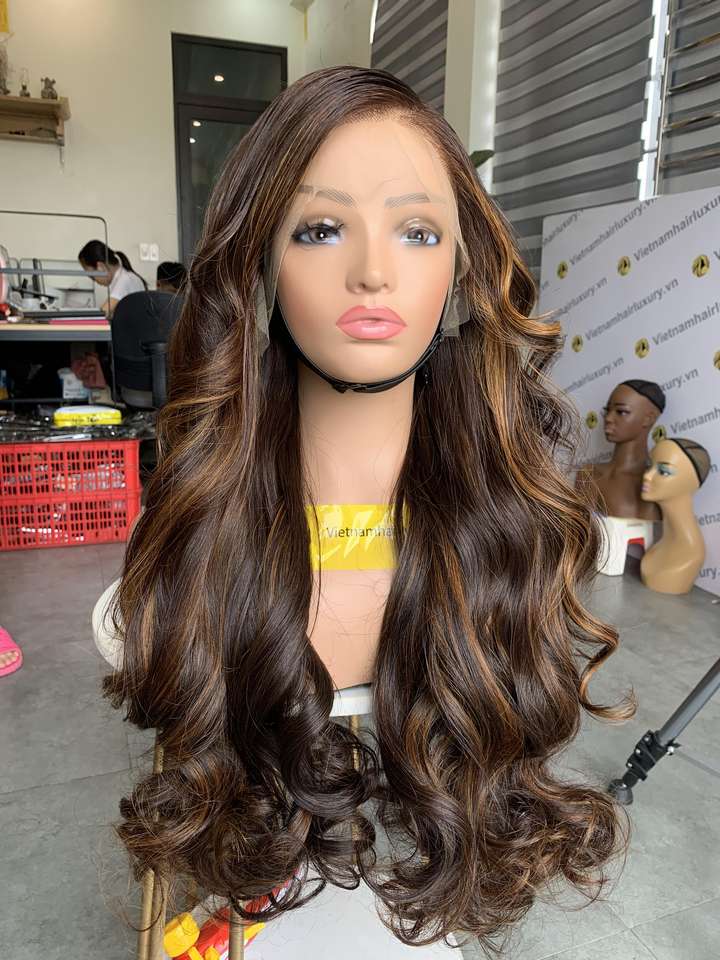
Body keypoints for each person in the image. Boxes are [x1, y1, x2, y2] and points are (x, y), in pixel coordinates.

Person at [104, 67, 630, 951]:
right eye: (320, 229)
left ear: (462, 269)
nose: (374, 273)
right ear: (260, 261)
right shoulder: (201, 548)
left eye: (418, 232)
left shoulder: (513, 538)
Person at [78, 240, 146, 318]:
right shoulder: (124, 276)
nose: (95, 281)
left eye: (92, 276)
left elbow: (103, 314)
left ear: (100, 267)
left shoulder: (125, 280)